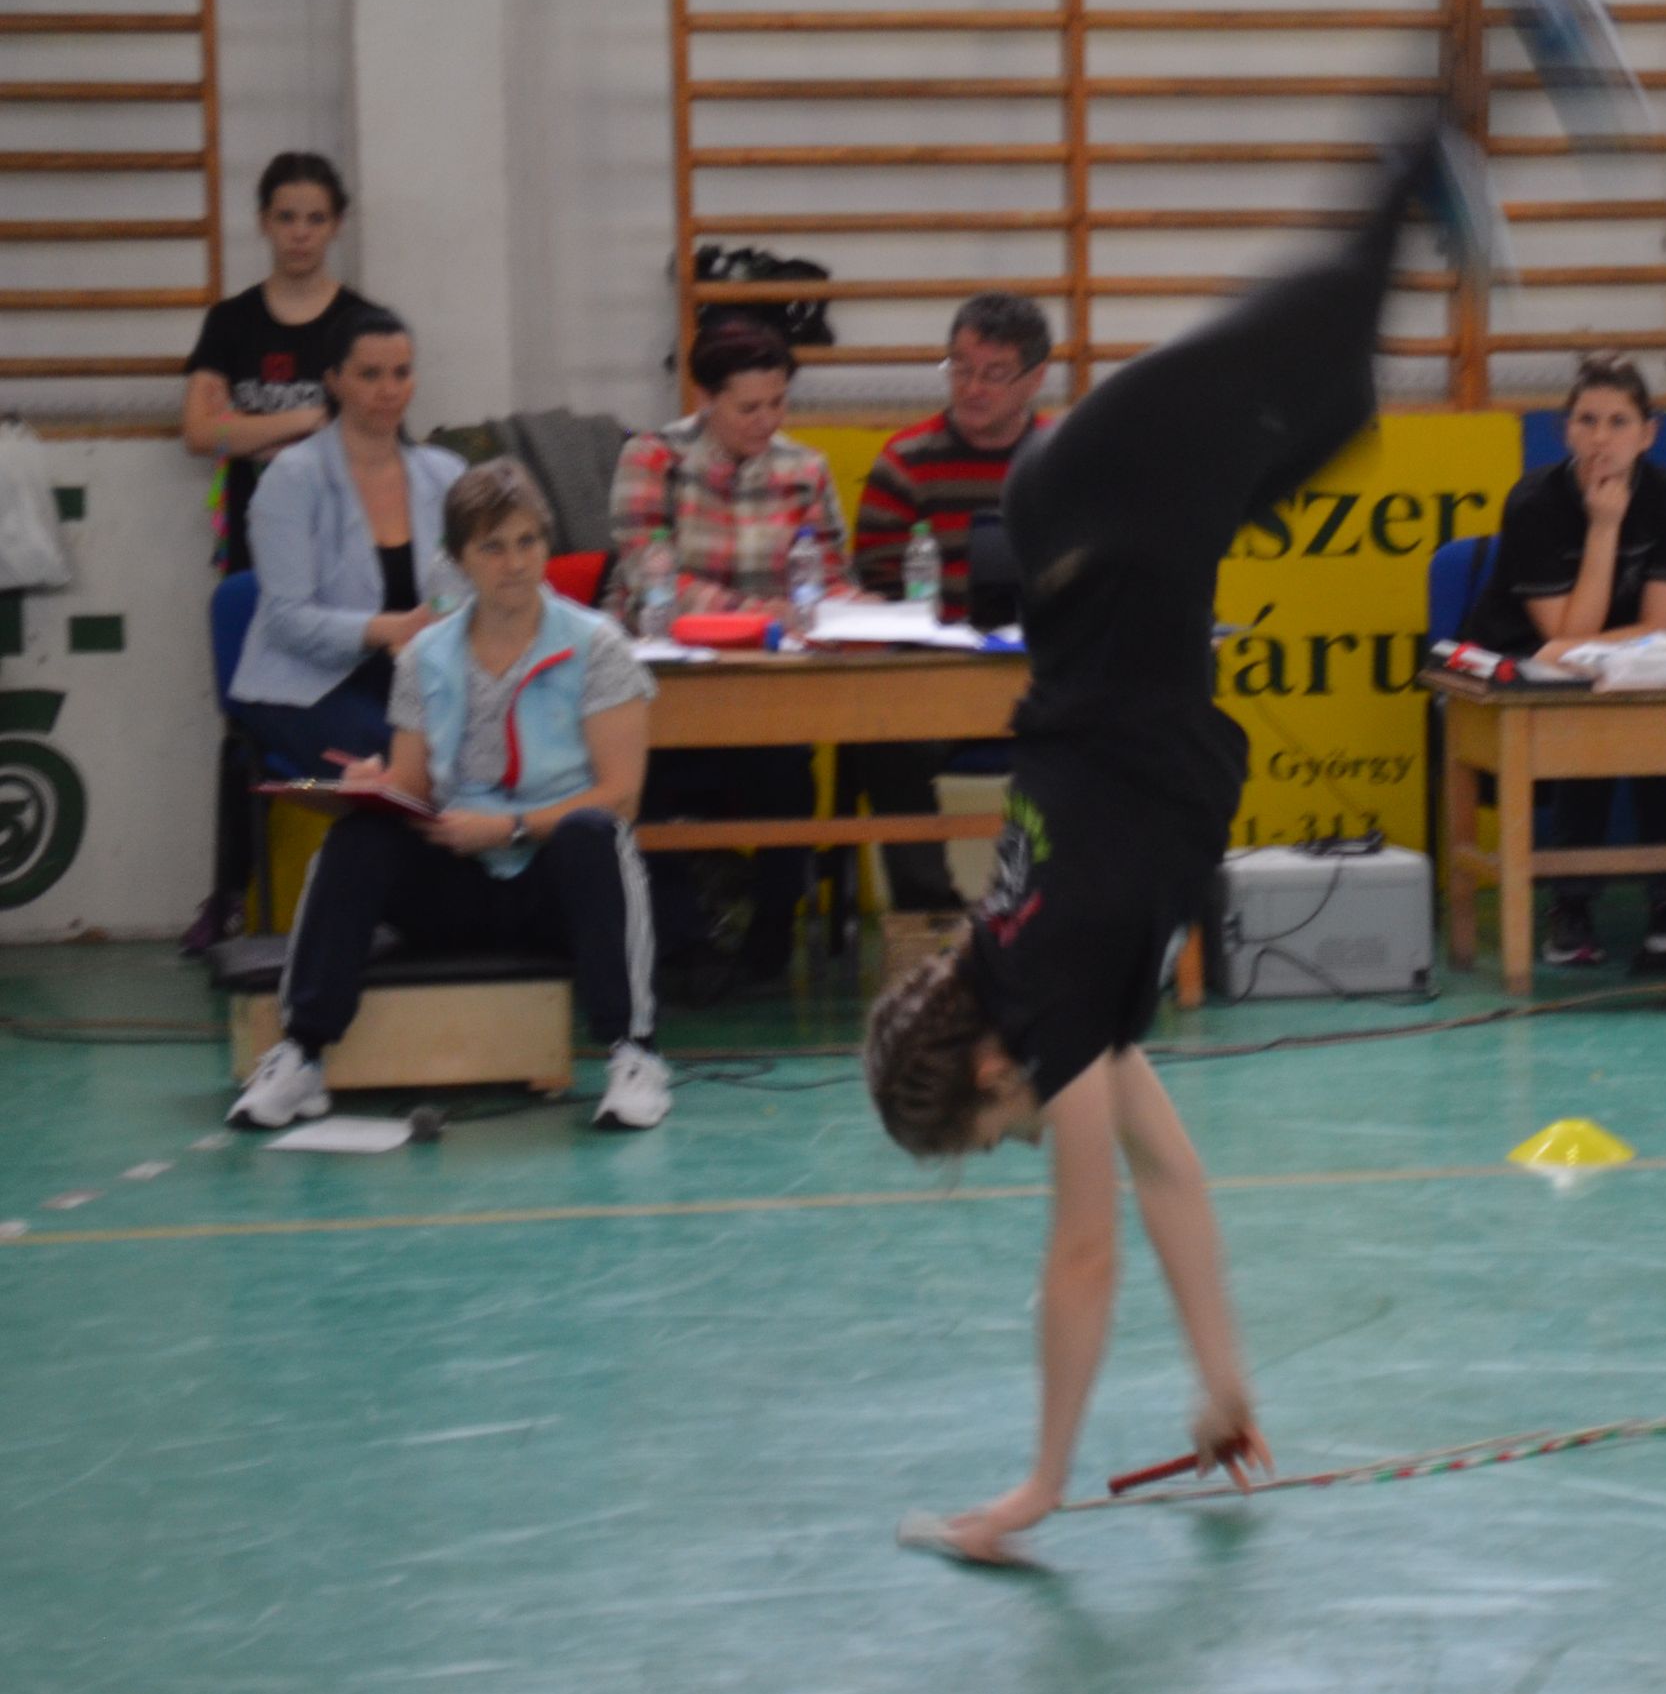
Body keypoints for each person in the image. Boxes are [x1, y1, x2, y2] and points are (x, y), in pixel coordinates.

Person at [860, 118, 1504, 1562]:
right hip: (1110, 555)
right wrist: (1221, 1381)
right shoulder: (1046, 990)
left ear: (985, 1071)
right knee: (1335, 408)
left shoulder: (1049, 1010)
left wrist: (1036, 1487)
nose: (1022, 1138)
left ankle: (1424, 145)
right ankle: (1428, 161)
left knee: (1317, 331)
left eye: (992, 1133)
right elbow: (1172, 1177)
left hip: (1094, 525)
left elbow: (1084, 1248)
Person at [227, 460, 669, 1132]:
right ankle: (302, 1055)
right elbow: (414, 785)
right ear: (459, 560)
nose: (514, 564)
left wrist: (510, 828)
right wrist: (376, 788)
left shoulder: (597, 646)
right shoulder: (424, 654)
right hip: (456, 877)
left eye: (527, 542)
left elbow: (621, 796)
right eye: (492, 547)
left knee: (595, 834)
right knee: (359, 838)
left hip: (552, 881)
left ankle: (634, 1054)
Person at [1460, 355, 1666, 970]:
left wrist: (1603, 651)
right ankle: (1571, 904)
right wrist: (1604, 528)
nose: (1600, 438)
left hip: (1623, 659)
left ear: (1648, 434)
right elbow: (1567, 634)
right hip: (1526, 662)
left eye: (1618, 422)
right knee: (1583, 710)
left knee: (1661, 714)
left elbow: (1661, 626)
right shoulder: (1534, 503)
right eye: (1586, 421)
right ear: (1566, 430)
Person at [606, 319, 848, 993]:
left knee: (788, 781)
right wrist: (755, 612)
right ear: (705, 398)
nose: (767, 420)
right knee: (635, 788)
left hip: (766, 694)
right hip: (663, 698)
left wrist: (852, 606)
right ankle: (682, 947)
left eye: (778, 403)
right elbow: (650, 576)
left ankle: (770, 943)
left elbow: (827, 576)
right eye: (748, 408)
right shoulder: (654, 458)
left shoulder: (804, 469)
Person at [179, 151, 377, 953]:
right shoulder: (231, 323)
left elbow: (368, 430)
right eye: (286, 217)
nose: (300, 233)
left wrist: (250, 430)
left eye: (315, 219)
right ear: (264, 222)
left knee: (356, 710)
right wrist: (303, 422)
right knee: (248, 718)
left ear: (336, 225)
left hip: (344, 559)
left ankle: (380, 884)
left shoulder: (361, 324)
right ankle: (229, 894)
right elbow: (201, 430)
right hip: (256, 556)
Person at [841, 292, 1053, 916]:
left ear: (1034, 379)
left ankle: (1053, 913)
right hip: (933, 678)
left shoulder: (1065, 460)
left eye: (994, 373)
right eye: (960, 368)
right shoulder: (906, 461)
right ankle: (930, 921)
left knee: (1112, 736)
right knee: (884, 737)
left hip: (1042, 678)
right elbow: (876, 588)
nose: (972, 388)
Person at [227, 307, 466, 781]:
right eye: (370, 375)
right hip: (303, 685)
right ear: (333, 381)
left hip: (414, 675)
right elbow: (286, 620)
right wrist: (390, 629)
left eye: (401, 373)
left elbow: (471, 588)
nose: (389, 390)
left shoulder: (447, 474)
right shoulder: (292, 478)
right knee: (404, 769)